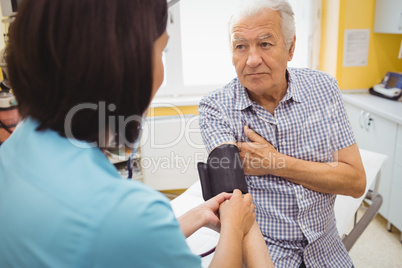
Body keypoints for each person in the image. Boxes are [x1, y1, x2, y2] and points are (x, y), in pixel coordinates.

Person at [0, 0, 274, 267]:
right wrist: (234, 230)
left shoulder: (17, 144)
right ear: (126, 67)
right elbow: (125, 230)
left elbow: (117, 244)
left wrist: (197, 216)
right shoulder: (126, 212)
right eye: (162, 52)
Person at [199, 0, 366, 267]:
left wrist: (275, 163)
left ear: (291, 48)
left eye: (265, 44)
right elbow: (232, 205)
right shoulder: (216, 107)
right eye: (240, 46)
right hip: (264, 253)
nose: (252, 60)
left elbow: (356, 182)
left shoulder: (324, 89)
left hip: (327, 250)